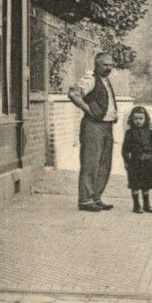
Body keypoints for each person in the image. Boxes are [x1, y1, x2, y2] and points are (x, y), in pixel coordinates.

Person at [68, 51, 118, 212]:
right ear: (96, 65)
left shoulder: (105, 80)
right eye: (105, 64)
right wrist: (88, 110)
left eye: (110, 65)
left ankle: (96, 197)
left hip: (107, 126)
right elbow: (74, 93)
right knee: (91, 163)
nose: (108, 67)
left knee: (104, 163)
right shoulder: (90, 78)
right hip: (93, 126)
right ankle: (85, 200)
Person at [122, 106, 152, 213]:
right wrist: (126, 162)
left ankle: (146, 205)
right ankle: (136, 206)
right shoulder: (129, 133)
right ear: (132, 120)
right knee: (135, 184)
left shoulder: (150, 132)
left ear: (145, 119)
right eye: (136, 119)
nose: (138, 121)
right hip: (134, 162)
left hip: (148, 162)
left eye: (141, 118)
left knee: (146, 184)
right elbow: (125, 149)